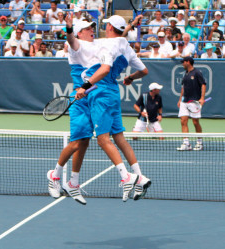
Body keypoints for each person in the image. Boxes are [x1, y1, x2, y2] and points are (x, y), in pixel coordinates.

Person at [76, 15, 151, 202]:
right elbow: (144, 71)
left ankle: (126, 176)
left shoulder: (107, 45)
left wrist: (84, 87)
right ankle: (139, 176)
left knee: (102, 139)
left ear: (109, 26)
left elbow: (105, 69)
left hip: (101, 93)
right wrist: (131, 78)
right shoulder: (126, 47)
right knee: (119, 137)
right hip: (114, 94)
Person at [47, 19, 101, 205]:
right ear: (79, 33)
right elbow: (70, 39)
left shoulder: (97, 47)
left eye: (91, 28)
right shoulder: (76, 46)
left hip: (92, 100)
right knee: (76, 142)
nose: (91, 30)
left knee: (84, 142)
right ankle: (55, 175)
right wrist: (69, 28)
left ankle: (73, 183)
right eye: (86, 28)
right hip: (79, 99)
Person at [177, 56, 206, 151]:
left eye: (183, 62)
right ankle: (186, 143)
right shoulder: (186, 73)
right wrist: (180, 99)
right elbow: (183, 87)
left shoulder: (197, 73)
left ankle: (199, 143)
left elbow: (203, 84)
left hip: (194, 101)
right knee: (183, 121)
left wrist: (202, 98)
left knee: (195, 122)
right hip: (185, 102)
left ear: (188, 62)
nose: (182, 64)